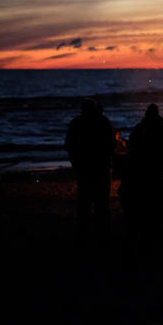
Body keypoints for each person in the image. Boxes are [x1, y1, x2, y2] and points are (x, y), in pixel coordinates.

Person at [119, 104, 163, 246]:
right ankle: (154, 237)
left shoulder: (139, 129)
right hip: (156, 172)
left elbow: (132, 149)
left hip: (141, 173)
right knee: (155, 208)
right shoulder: (162, 128)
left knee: (139, 211)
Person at [64, 99, 115, 233]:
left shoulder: (76, 123)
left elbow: (68, 145)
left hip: (84, 169)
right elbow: (112, 144)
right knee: (102, 203)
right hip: (101, 168)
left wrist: (75, 162)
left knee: (84, 203)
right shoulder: (103, 122)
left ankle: (84, 232)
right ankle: (103, 233)